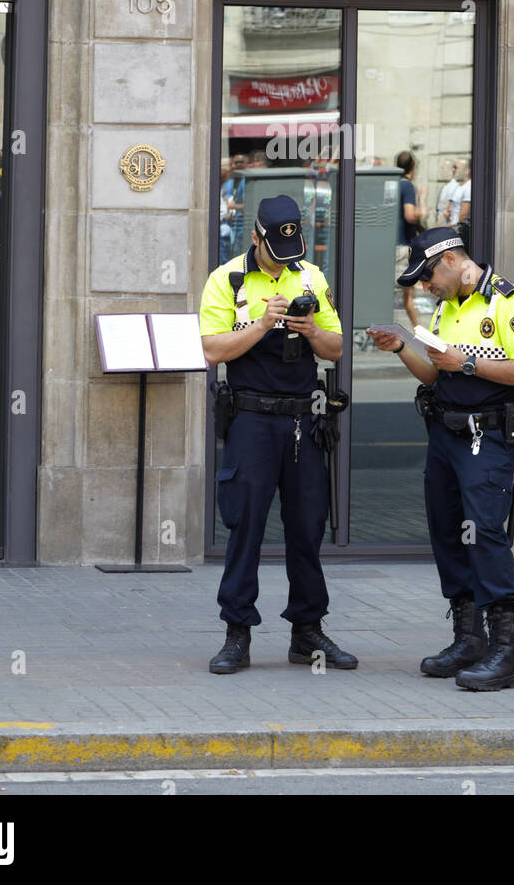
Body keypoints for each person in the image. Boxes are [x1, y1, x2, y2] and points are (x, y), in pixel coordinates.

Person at [368, 227, 514, 691]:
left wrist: (466, 363)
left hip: (486, 438)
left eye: (427, 276)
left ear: (450, 260)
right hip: (446, 433)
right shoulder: (447, 309)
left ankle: (507, 652)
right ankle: (469, 638)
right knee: (448, 533)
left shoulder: (509, 304)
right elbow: (435, 374)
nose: (426, 287)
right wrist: (403, 345)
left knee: (486, 535)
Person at [199, 194, 357, 675]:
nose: (284, 262)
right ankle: (237, 633)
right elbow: (212, 350)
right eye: (274, 252)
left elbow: (337, 348)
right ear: (256, 237)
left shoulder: (310, 276)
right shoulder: (226, 280)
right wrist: (264, 324)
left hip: (303, 420)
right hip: (251, 418)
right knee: (244, 527)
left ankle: (307, 632)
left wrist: (308, 329)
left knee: (307, 529)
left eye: (292, 251)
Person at [396, 150, 427, 328]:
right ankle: (420, 330)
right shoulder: (407, 186)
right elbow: (411, 216)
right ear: (413, 166)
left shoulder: (395, 183)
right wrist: (422, 200)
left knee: (404, 293)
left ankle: (418, 328)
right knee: (406, 293)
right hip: (402, 246)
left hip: (393, 243)